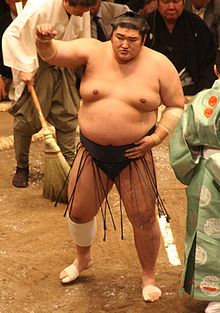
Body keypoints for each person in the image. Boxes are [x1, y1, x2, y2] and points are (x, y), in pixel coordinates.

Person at [35, 11, 184, 302]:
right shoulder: (93, 50)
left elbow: (176, 106)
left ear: (144, 40)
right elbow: (55, 54)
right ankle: (83, 259)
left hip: (135, 154)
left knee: (143, 217)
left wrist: (156, 137)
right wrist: (43, 42)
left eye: (132, 40)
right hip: (92, 150)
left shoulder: (159, 65)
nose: (124, 45)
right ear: (111, 34)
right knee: (78, 211)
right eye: (119, 38)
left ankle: (148, 275)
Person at [2, 0, 97, 188]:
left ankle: (68, 164)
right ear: (66, 1)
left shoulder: (83, 9)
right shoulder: (41, 6)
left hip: (65, 62)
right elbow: (12, 36)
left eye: (86, 10)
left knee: (67, 115)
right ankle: (22, 166)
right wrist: (25, 66)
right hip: (37, 64)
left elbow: (83, 39)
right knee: (27, 120)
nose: (82, 14)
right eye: (79, 9)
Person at [169, 49, 220, 313]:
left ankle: (216, 297)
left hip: (208, 177)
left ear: (215, 70)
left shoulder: (202, 100)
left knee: (210, 231)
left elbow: (183, 144)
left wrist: (194, 169)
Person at [144, 0, 217, 95]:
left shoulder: (196, 25)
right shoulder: (146, 25)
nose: (171, 7)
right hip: (152, 88)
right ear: (157, 3)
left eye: (176, 2)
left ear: (184, 3)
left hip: (191, 88)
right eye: (165, 2)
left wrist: (201, 93)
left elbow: (208, 62)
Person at [0, 0, 27, 102]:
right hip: (6, 76)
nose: (20, 2)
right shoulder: (2, 23)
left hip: (30, 74)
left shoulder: (34, 18)